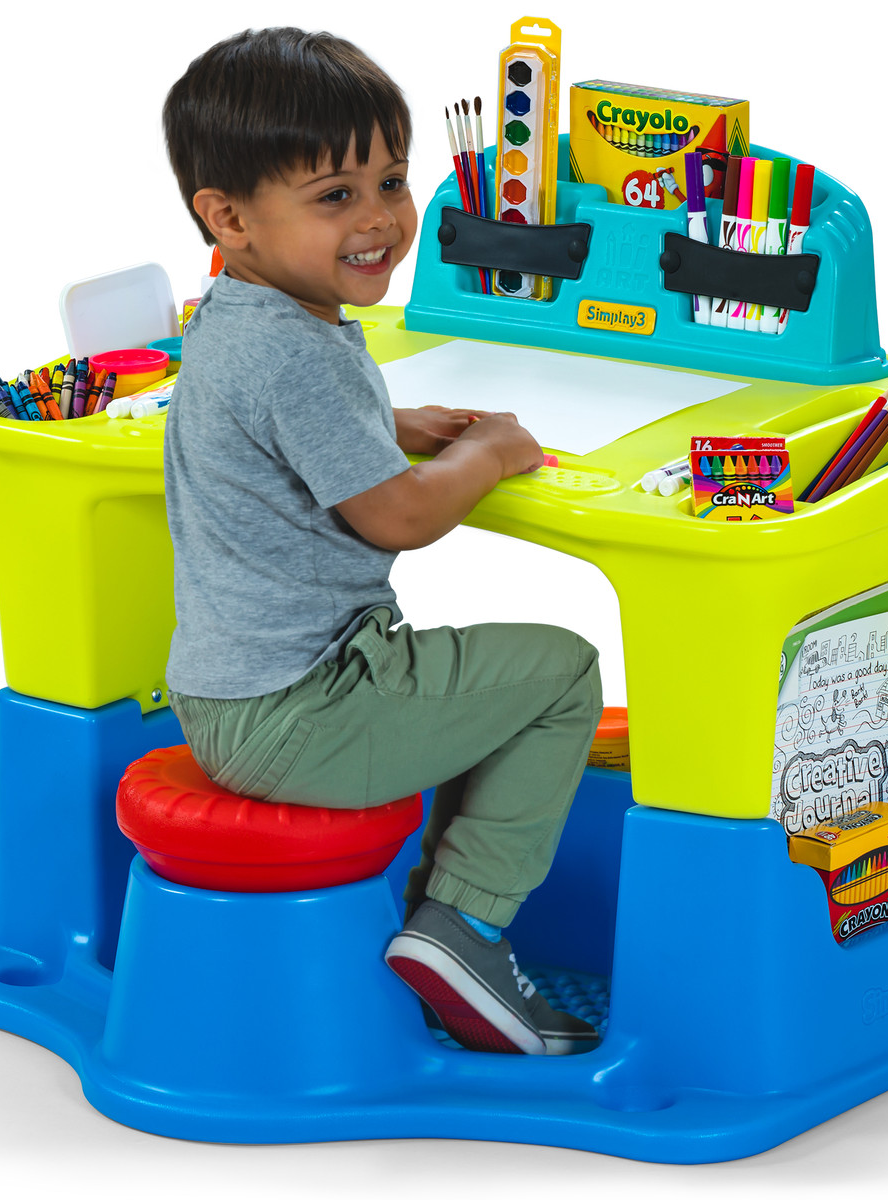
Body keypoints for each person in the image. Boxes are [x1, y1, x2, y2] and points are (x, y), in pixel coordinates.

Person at [161, 27, 601, 1056]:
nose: (379, 222)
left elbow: (267, 426)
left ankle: (435, 916)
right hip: (308, 707)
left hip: (232, 693)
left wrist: (387, 426)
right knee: (560, 672)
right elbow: (398, 515)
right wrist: (487, 453)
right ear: (228, 217)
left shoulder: (237, 312)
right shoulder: (296, 349)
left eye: (391, 182)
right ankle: (467, 921)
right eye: (334, 197)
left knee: (485, 683)